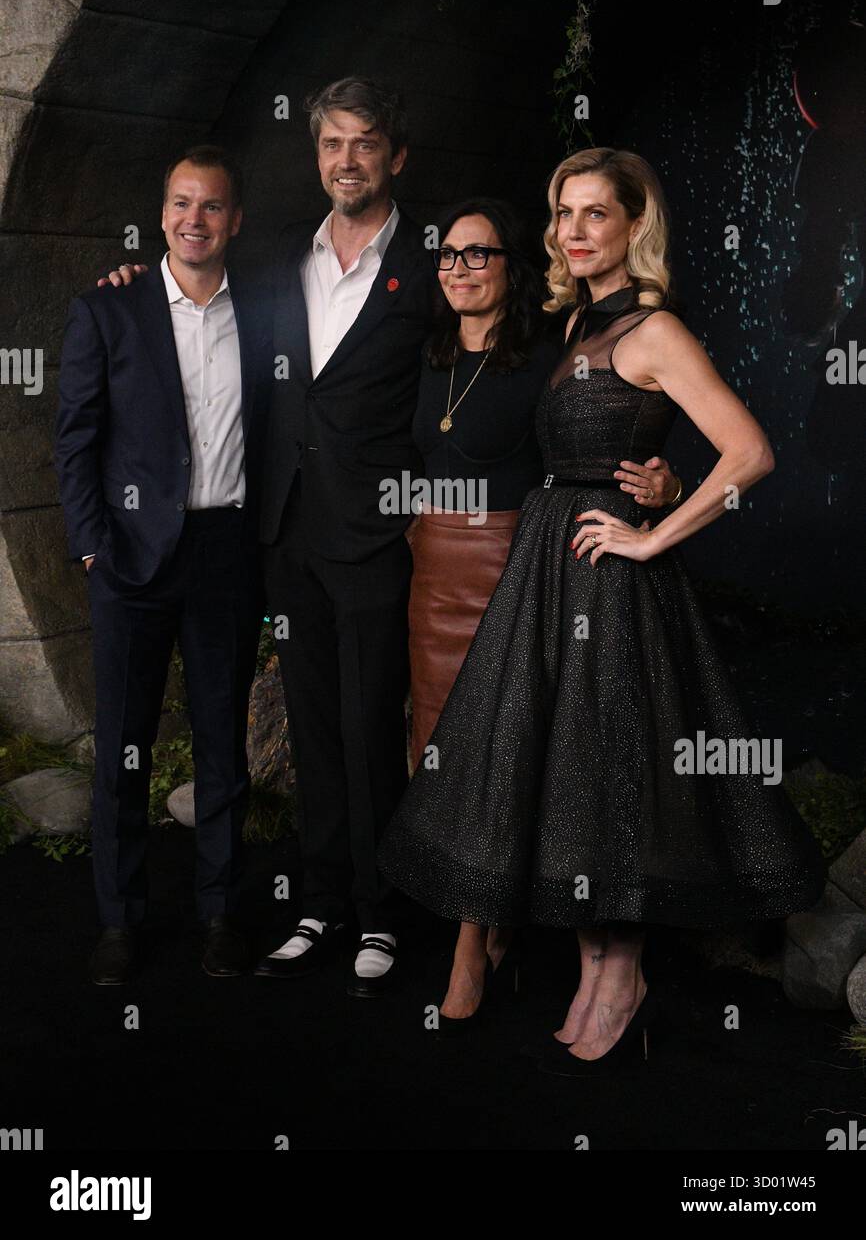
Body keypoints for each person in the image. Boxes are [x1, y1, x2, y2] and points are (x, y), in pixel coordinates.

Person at [378, 147, 826, 1068]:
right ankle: (593, 969)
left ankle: (622, 972)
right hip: (552, 563)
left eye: (593, 215)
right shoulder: (575, 320)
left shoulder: (652, 328)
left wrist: (657, 527)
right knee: (574, 764)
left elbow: (749, 452)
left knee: (614, 763)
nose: (573, 232)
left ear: (633, 226)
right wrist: (654, 483)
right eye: (563, 214)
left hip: (611, 574)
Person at [408, 196, 679, 1024]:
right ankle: (483, 932)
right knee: (442, 748)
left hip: (521, 566)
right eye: (448, 256)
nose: (460, 268)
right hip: (435, 570)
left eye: (478, 254)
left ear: (510, 266)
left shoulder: (547, 351)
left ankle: (495, 950)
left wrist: (663, 483)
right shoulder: (428, 352)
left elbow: (599, 437)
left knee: (512, 745)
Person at [56, 145, 273, 985]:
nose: (194, 220)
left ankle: (220, 913)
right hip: (130, 557)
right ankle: (120, 920)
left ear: (235, 221)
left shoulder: (267, 315)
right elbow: (74, 439)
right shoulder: (108, 309)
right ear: (162, 215)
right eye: (181, 204)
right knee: (123, 747)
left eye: (211, 206)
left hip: (225, 554)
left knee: (223, 743)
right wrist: (88, 543)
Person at [254, 78, 436, 996]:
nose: (347, 159)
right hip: (289, 531)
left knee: (372, 726)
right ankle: (319, 901)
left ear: (393, 157)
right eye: (332, 143)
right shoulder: (286, 258)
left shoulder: (435, 265)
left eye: (365, 142)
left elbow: (466, 387)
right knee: (315, 726)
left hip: (373, 534)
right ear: (316, 154)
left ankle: (381, 913)